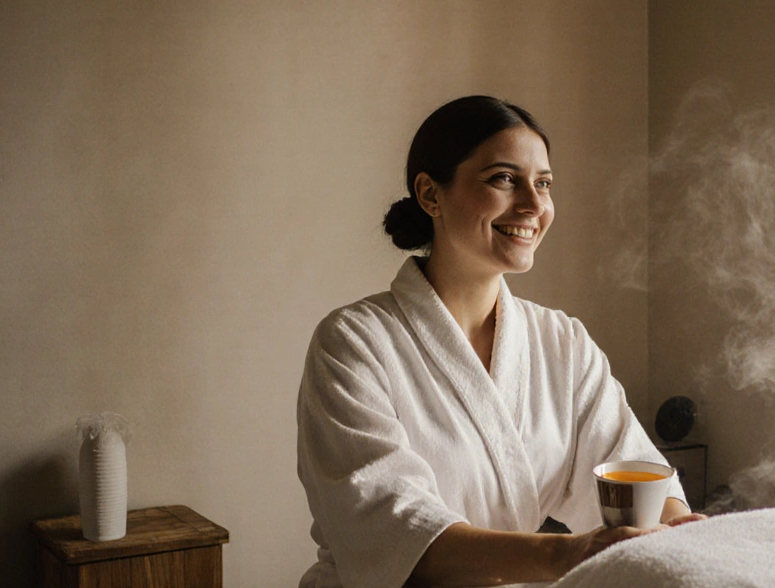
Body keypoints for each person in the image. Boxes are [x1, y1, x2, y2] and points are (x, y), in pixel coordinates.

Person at [297, 96, 706, 588]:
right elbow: (395, 531)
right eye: (504, 179)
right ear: (430, 195)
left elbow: (632, 469)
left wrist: (675, 529)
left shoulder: (562, 342)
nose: (534, 206)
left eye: (544, 184)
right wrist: (567, 554)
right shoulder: (353, 344)